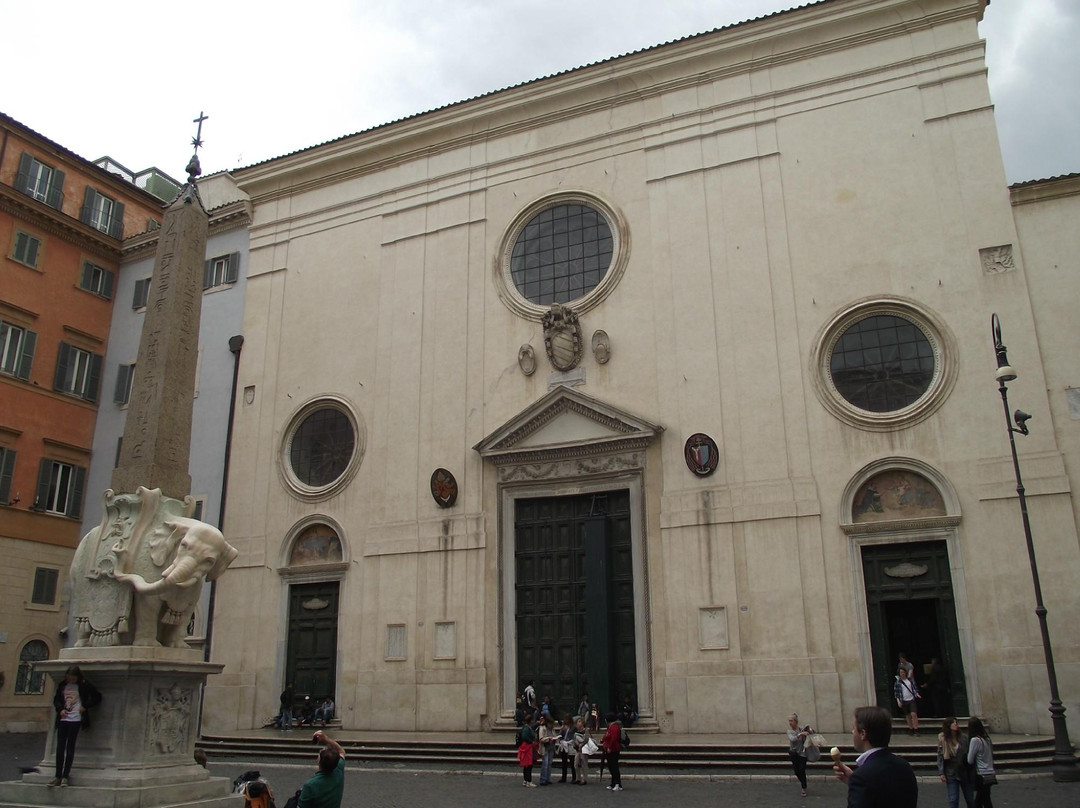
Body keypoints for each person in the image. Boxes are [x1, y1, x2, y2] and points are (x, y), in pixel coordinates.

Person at [833, 705, 918, 808]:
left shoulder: (862, 777)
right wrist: (853, 780)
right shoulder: (904, 766)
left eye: (854, 728)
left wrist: (857, 780)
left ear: (863, 734)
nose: (852, 732)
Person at [49, 666, 102, 787]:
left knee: (70, 747)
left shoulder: (84, 685)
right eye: (69, 678)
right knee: (60, 747)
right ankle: (57, 775)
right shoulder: (63, 685)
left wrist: (85, 706)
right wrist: (60, 709)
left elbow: (97, 697)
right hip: (63, 719)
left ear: (78, 677)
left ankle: (65, 776)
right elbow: (57, 700)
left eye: (73, 678)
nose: (71, 680)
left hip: (76, 719)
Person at [297, 730, 346, 808]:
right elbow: (341, 751)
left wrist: (325, 739)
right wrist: (326, 739)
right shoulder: (338, 770)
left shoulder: (310, 785)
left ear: (318, 760)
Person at [937, 717, 975, 808]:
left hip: (964, 772)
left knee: (970, 799)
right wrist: (941, 772)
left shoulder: (964, 738)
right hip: (951, 772)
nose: (955, 724)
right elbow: (940, 756)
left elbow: (970, 752)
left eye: (956, 722)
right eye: (953, 723)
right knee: (953, 799)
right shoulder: (943, 739)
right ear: (948, 726)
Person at [967, 717, 996, 808]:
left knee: (981, 801)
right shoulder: (987, 739)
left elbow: (970, 760)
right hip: (990, 773)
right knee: (985, 799)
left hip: (981, 774)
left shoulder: (975, 740)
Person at [787, 713, 812, 798]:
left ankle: (804, 787)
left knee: (802, 770)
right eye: (789, 721)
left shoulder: (802, 729)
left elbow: (811, 734)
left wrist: (809, 731)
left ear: (796, 721)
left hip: (803, 753)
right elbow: (792, 739)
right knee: (796, 772)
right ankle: (803, 783)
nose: (790, 723)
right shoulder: (789, 732)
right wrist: (801, 734)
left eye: (791, 721)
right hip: (794, 753)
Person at [894, 666, 921, 734]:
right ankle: (910, 728)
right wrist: (898, 701)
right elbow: (896, 693)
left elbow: (914, 688)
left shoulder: (910, 680)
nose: (902, 673)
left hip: (911, 699)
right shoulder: (897, 683)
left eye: (903, 672)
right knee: (907, 715)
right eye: (901, 672)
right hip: (904, 700)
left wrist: (917, 694)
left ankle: (916, 728)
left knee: (914, 714)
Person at [601, 711, 623, 791]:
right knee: (611, 767)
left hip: (613, 750)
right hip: (609, 749)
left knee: (614, 767)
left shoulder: (614, 727)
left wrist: (610, 747)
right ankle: (613, 783)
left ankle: (617, 783)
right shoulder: (611, 727)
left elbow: (614, 738)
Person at [518, 713, 537, 786]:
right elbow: (524, 737)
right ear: (531, 720)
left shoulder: (527, 727)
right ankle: (528, 780)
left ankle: (526, 780)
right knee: (529, 764)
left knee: (527, 765)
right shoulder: (527, 728)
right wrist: (531, 741)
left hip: (527, 747)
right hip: (528, 747)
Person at [537, 713, 556, 785]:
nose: (551, 725)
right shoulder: (542, 728)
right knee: (545, 763)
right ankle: (543, 779)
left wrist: (554, 739)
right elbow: (541, 738)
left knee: (549, 763)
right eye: (550, 724)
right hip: (545, 748)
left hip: (551, 747)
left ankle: (548, 778)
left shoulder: (552, 729)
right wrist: (548, 739)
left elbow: (554, 736)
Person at [558, 714, 577, 783]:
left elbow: (575, 736)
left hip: (570, 745)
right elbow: (560, 735)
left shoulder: (573, 727)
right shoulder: (563, 727)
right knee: (564, 762)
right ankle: (564, 777)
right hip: (564, 745)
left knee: (572, 762)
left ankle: (574, 777)